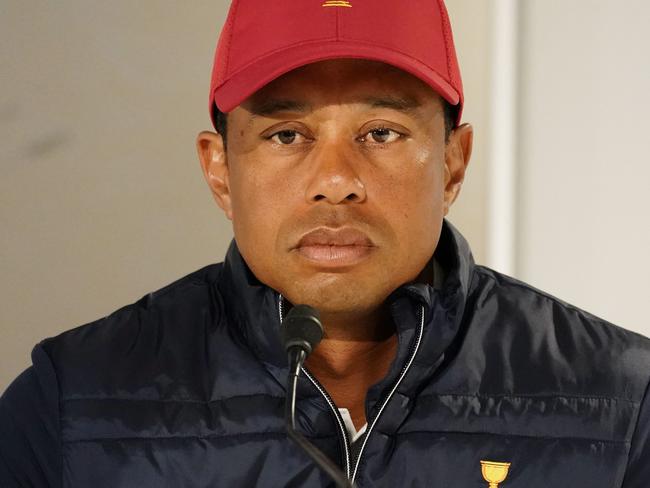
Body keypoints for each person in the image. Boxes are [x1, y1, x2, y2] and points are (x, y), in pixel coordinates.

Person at [1, 0, 649, 486]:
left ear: (454, 161)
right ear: (220, 169)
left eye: (381, 132)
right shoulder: (72, 404)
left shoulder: (622, 404)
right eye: (287, 135)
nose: (336, 182)